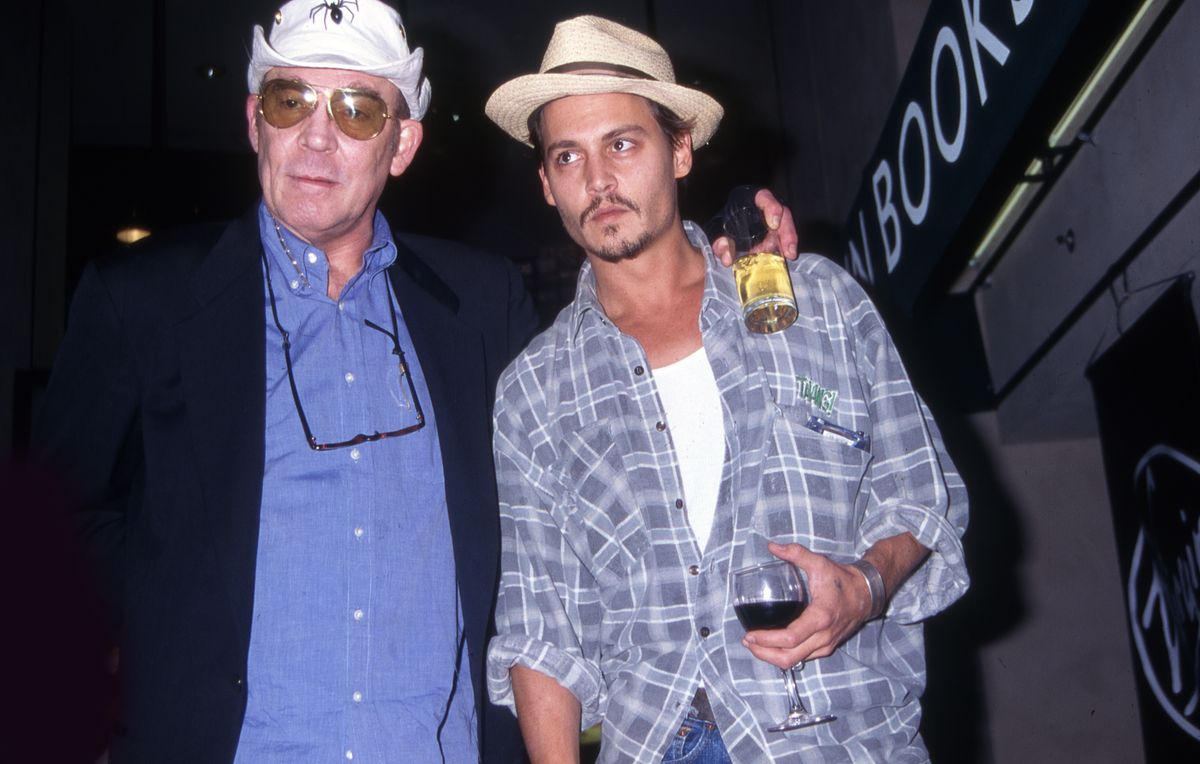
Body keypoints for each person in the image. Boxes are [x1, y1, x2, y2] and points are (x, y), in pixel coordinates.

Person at [33, 3, 792, 762]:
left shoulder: (481, 304)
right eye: (290, 101)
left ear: (402, 144)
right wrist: (175, 620)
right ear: (253, 121)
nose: (317, 136)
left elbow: (598, 444)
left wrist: (728, 251)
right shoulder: (143, 301)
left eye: (358, 110)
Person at [483, 15, 970, 763]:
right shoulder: (533, 393)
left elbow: (922, 495)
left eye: (622, 144)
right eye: (568, 156)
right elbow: (538, 629)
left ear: (679, 150)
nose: (598, 180)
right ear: (546, 184)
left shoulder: (816, 303)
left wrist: (865, 588)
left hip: (838, 741)